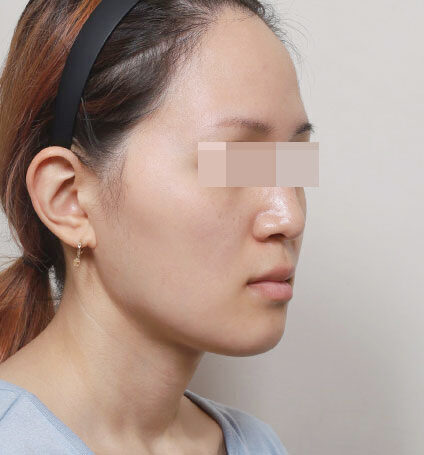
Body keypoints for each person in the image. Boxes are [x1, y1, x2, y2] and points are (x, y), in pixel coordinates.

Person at [0, 0, 313, 453]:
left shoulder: (259, 445)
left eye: (295, 163)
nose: (290, 217)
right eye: (236, 163)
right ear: (69, 199)